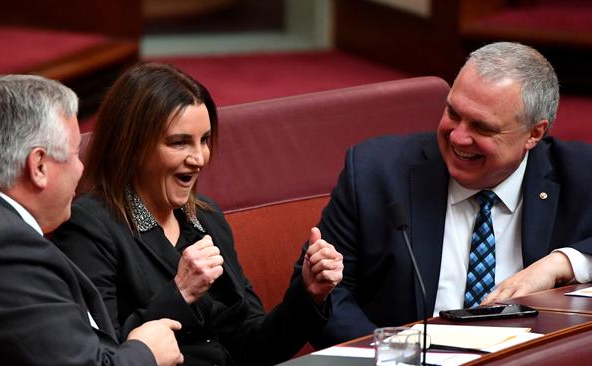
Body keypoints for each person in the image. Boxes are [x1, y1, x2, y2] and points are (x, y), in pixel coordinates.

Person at [291, 41, 592, 348]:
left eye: (482, 127)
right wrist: (387, 353)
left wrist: (561, 263)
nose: (458, 137)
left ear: (534, 134)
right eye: (453, 112)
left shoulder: (579, 173)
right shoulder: (375, 172)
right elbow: (324, 293)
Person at [51, 63, 344, 365]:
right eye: (180, 142)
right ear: (131, 145)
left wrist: (309, 293)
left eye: (204, 140)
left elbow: (253, 348)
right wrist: (180, 293)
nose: (199, 158)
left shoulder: (206, 218)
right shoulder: (87, 226)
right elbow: (102, 355)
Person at [0, 74, 184, 366]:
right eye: (74, 154)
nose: (81, 169)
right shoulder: (1, 251)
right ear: (39, 166)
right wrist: (147, 352)